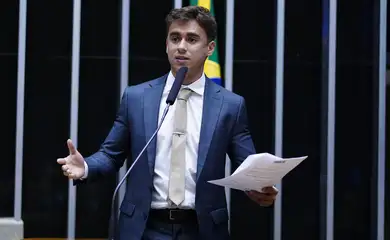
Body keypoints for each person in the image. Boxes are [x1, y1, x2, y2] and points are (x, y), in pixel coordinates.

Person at [57, 5, 278, 240]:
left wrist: (259, 188)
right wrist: (86, 167)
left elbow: (247, 167)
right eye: (175, 38)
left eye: (192, 39)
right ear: (166, 45)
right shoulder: (137, 98)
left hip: (202, 229)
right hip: (144, 227)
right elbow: (111, 155)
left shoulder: (230, 106)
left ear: (209, 48)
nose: (181, 46)